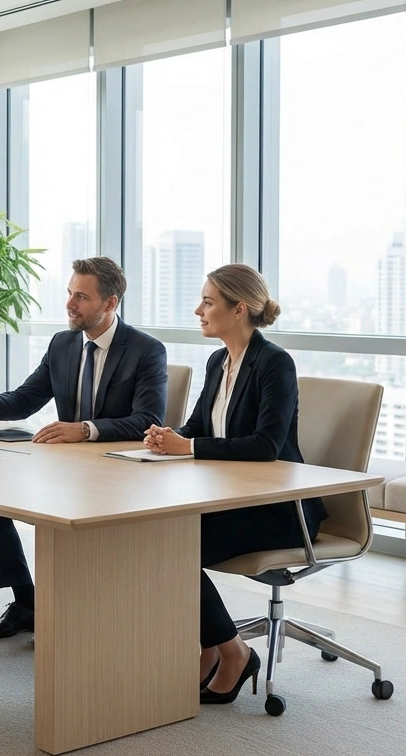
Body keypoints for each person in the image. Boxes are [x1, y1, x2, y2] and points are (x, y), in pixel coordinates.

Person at [0, 256, 168, 638]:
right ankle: (27, 601)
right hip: (67, 467)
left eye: (81, 297)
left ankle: (79, 618)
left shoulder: (146, 350)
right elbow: (27, 398)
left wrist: (86, 429)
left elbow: (148, 419)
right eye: (69, 293)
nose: (69, 304)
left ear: (110, 303)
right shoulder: (63, 344)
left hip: (119, 473)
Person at [142, 263, 326, 705]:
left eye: (208, 302)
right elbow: (198, 427)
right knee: (153, 536)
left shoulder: (274, 363)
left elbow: (266, 445)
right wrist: (167, 438)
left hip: (279, 510)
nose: (198, 311)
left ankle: (234, 653)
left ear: (239, 309)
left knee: (173, 547)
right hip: (230, 499)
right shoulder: (218, 361)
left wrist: (188, 447)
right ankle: (213, 648)